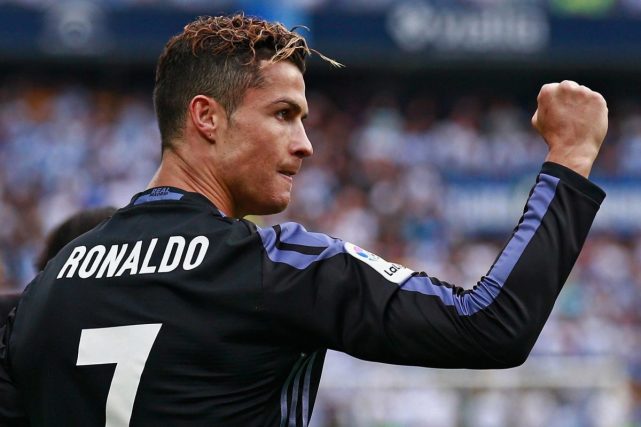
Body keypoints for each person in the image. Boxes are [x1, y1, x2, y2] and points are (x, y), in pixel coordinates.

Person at [0, 13, 608, 427]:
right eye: (284, 114)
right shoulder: (274, 265)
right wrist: (571, 156)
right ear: (207, 118)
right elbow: (490, 325)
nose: (306, 144)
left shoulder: (47, 287)